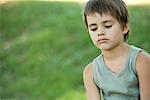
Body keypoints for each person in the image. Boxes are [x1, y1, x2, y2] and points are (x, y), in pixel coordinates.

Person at [82, 0, 150, 100]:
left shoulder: (141, 61)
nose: (100, 32)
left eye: (107, 26)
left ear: (124, 27)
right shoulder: (90, 72)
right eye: (93, 28)